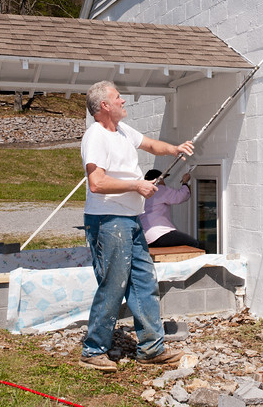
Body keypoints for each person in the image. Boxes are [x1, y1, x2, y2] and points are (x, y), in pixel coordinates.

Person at [79, 81, 194, 372]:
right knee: (113, 286)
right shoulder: (96, 136)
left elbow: (153, 145)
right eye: (119, 98)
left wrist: (175, 149)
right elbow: (97, 183)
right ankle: (93, 350)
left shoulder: (122, 132)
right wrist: (136, 186)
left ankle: (151, 349)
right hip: (107, 221)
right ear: (105, 105)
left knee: (144, 281)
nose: (124, 101)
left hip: (130, 220)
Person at [140, 169, 200, 248]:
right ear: (158, 179)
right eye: (163, 179)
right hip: (159, 234)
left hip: (144, 236)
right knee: (193, 244)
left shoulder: (141, 192)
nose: (164, 182)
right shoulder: (159, 189)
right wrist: (185, 182)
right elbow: (182, 196)